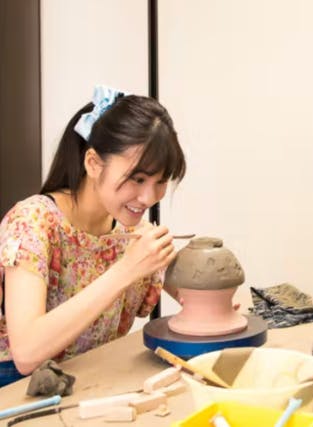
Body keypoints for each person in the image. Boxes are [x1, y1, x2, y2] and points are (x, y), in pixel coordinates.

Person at [0, 85, 186, 387]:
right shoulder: (33, 222)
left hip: (88, 382)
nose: (149, 197)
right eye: (137, 179)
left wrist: (210, 300)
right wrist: (127, 269)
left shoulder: (131, 230)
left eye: (161, 181)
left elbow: (197, 295)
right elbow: (27, 352)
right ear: (93, 163)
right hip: (17, 389)